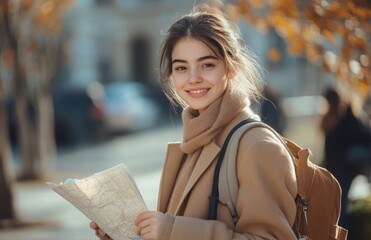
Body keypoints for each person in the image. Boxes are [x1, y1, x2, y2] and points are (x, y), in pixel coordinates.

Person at [90, 4, 297, 240]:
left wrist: (171, 230)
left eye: (207, 65)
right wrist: (125, 232)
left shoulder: (257, 145)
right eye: (181, 68)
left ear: (230, 68)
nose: (193, 79)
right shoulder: (195, 142)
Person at [320, 87, 371, 236]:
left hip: (342, 170)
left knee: (339, 207)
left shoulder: (340, 118)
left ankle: (342, 235)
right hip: (340, 170)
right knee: (338, 206)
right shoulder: (341, 117)